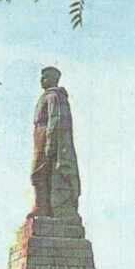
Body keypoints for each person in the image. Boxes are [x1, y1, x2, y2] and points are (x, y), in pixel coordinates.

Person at [28, 66, 81, 219]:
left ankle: (42, 206)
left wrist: (50, 142)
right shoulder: (45, 96)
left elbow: (55, 119)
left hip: (45, 136)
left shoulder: (54, 96)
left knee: (38, 172)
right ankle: (41, 206)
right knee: (39, 173)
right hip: (39, 135)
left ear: (53, 79)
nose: (41, 80)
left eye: (45, 77)